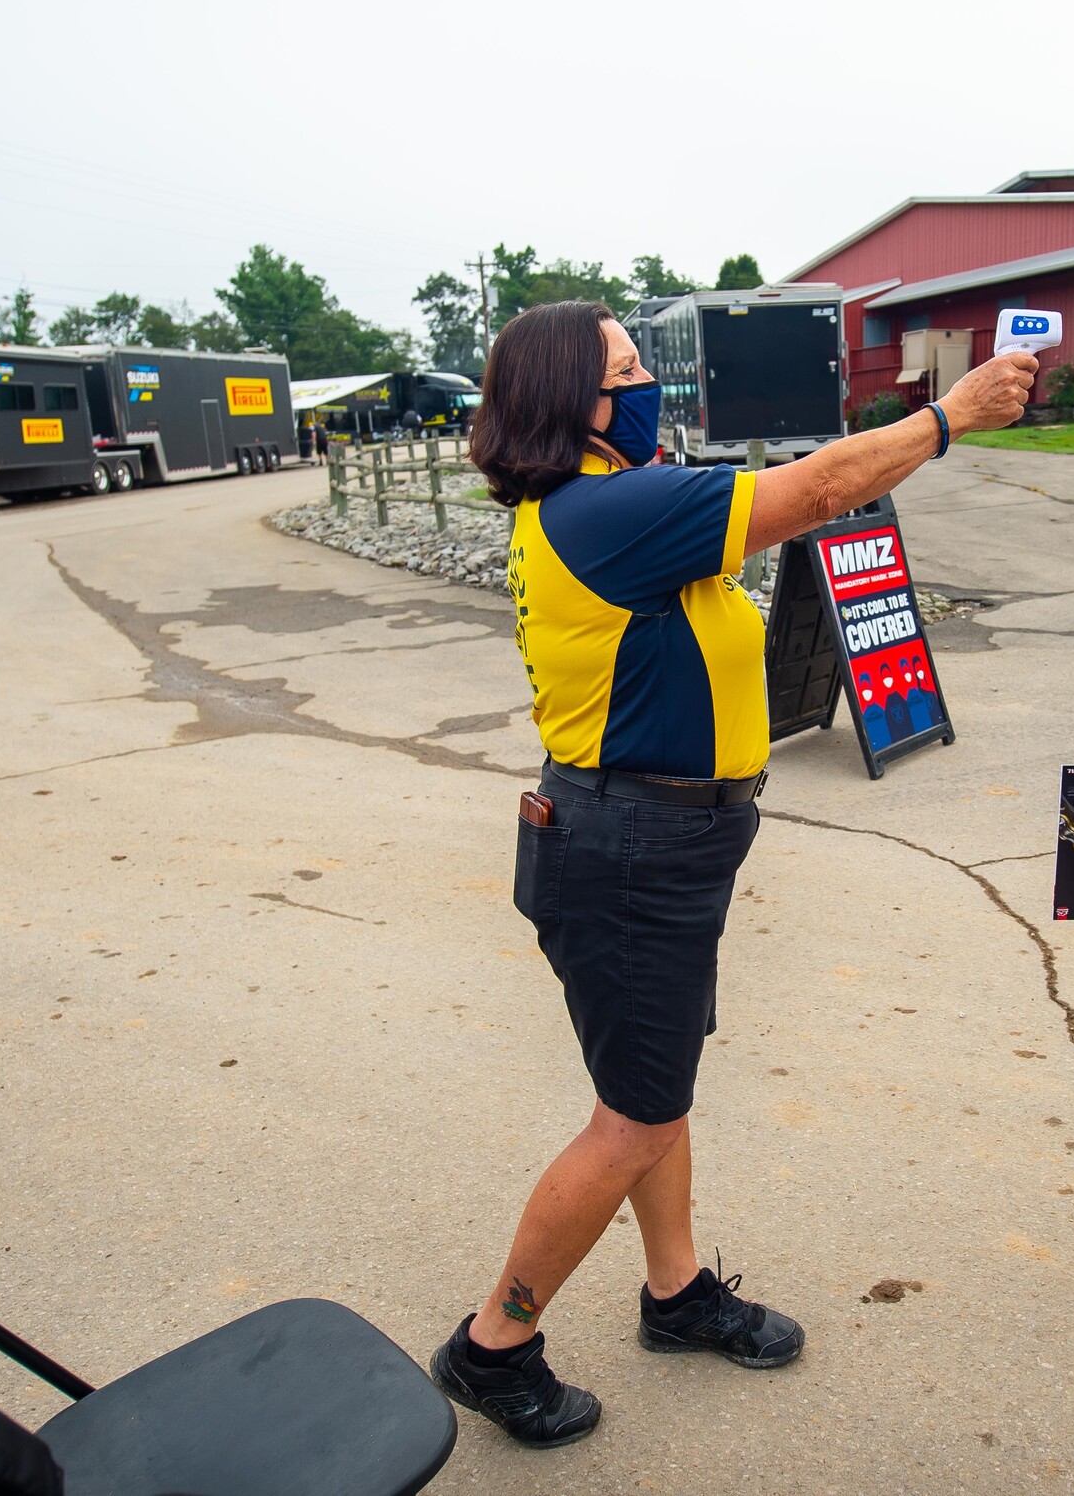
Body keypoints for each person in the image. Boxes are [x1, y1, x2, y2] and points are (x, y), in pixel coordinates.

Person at [435, 300, 1035, 1447]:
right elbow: (817, 492)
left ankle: (674, 1293)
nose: (645, 385)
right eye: (623, 373)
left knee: (656, 1094)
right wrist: (949, 416)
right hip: (629, 855)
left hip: (655, 844)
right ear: (575, 406)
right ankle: (494, 1342)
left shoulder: (612, 504)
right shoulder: (608, 509)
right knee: (633, 1115)